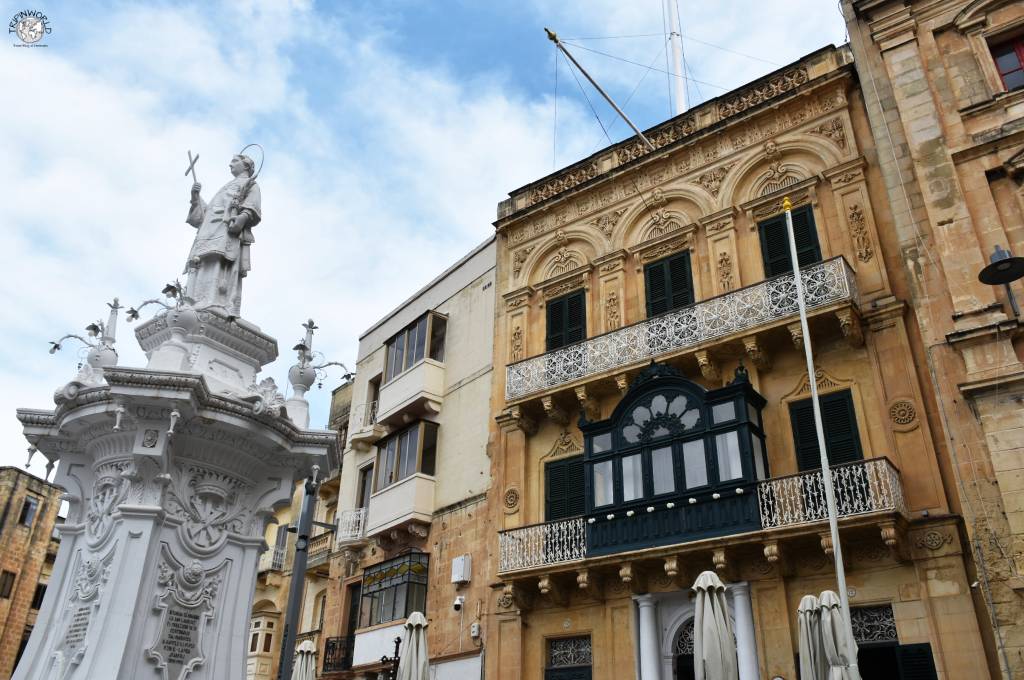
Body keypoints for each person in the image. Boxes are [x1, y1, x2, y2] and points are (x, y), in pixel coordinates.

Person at [184, 154, 261, 315]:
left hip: (226, 230)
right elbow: (206, 215)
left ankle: (216, 301)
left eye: (234, 161)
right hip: (207, 232)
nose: (230, 164)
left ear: (246, 165)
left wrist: (242, 218)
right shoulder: (226, 187)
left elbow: (252, 206)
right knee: (200, 263)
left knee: (220, 262)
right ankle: (195, 299)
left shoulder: (250, 185)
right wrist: (195, 197)